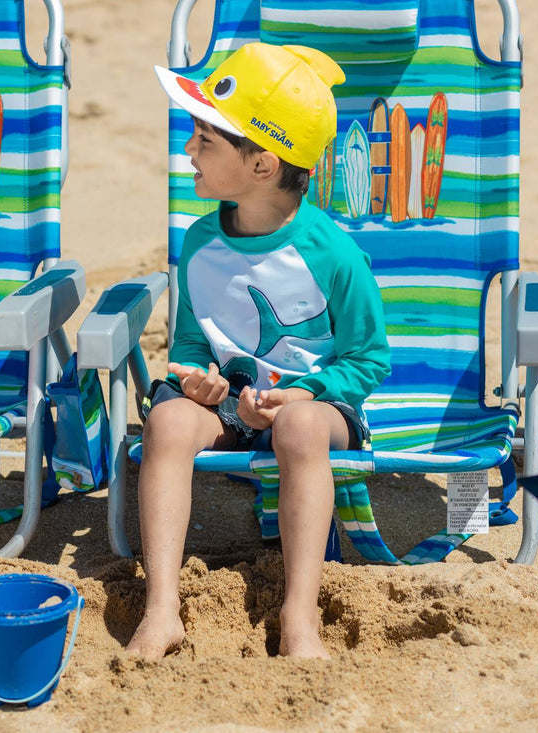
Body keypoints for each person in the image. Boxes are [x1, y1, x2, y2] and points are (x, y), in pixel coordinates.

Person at [127, 44, 391, 659]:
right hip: (229, 411)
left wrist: (305, 391)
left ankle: (299, 615)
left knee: (297, 426)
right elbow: (193, 345)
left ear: (263, 165)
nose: (188, 152)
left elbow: (369, 360)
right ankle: (162, 606)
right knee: (165, 419)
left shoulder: (333, 254)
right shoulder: (199, 242)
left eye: (205, 142)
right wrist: (196, 383)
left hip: (315, 414)